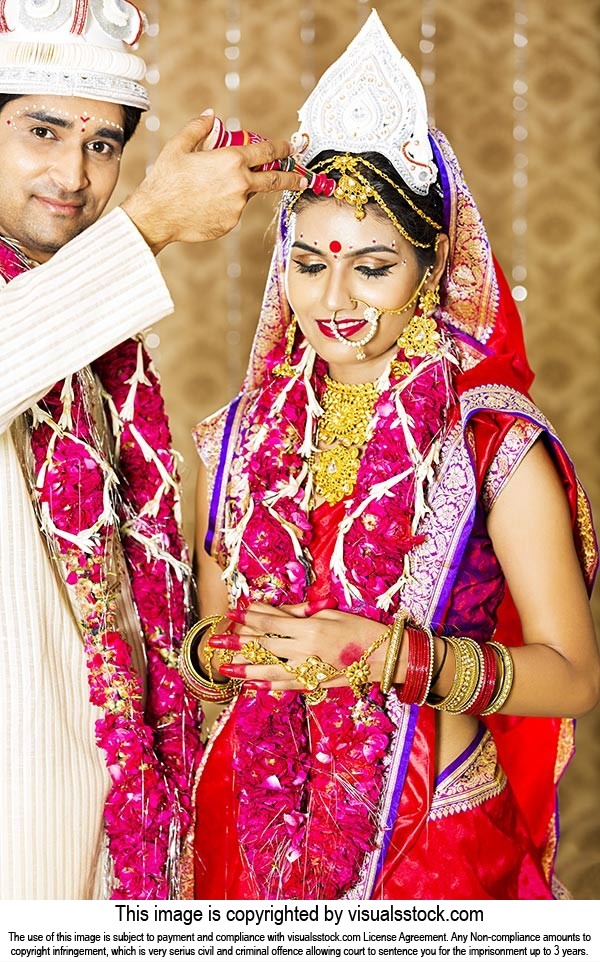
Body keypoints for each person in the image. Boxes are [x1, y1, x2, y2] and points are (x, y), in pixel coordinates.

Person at [183, 12, 599, 900]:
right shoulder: (234, 439)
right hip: (251, 839)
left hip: (438, 845)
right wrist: (231, 656)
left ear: (433, 262)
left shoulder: (492, 443)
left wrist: (388, 658)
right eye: (305, 264)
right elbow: (211, 652)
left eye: (372, 267)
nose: (331, 300)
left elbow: (572, 678)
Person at [0, 0, 305, 901]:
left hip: (117, 792)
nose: (73, 173)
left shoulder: (85, 320)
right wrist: (151, 224)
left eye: (102, 144)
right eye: (42, 130)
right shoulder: (67, 305)